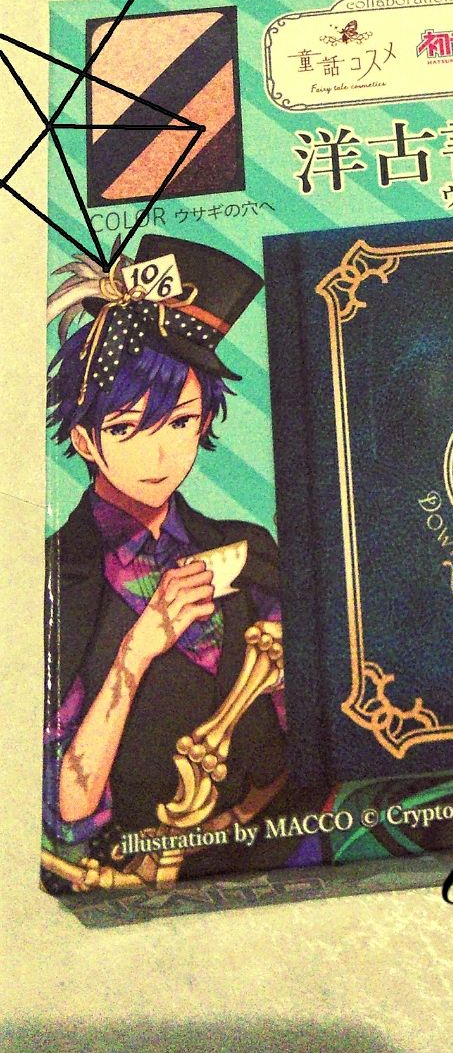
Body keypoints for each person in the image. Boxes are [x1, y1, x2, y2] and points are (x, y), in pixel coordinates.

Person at [42, 236, 307, 883]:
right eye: (125, 427)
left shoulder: (248, 548)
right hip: (135, 880)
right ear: (84, 439)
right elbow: (67, 808)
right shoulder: (57, 576)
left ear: (205, 420)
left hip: (280, 851)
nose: (159, 453)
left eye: (181, 421)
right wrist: (138, 648)